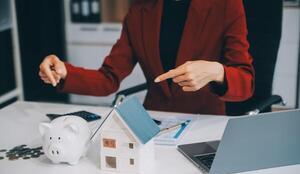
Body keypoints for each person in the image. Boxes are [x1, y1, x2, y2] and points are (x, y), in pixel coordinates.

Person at [39, 0, 254, 115]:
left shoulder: (226, 4)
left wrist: (217, 71)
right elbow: (108, 79)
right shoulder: (139, 11)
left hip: (204, 123)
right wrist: (65, 73)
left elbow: (246, 83)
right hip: (153, 124)